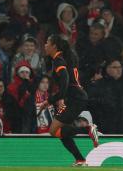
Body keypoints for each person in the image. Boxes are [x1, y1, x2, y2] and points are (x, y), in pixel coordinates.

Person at [42, 35, 99, 166]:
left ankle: (88, 129)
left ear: (54, 46)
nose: (45, 45)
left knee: (53, 130)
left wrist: (52, 99)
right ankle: (80, 159)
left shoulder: (59, 60)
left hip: (75, 99)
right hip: (74, 98)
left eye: (47, 42)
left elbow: (65, 82)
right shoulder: (64, 58)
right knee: (59, 132)